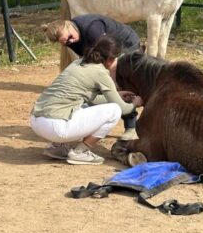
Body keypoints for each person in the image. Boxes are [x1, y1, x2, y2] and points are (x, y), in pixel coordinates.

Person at [29, 37, 144, 165]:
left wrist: (117, 95)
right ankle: (80, 152)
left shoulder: (78, 62)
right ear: (112, 59)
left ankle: (57, 148)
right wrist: (136, 103)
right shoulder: (100, 73)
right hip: (56, 127)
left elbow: (92, 100)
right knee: (115, 111)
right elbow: (123, 109)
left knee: (79, 105)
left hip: (36, 121)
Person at [42, 14, 142, 140]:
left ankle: (131, 128)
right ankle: (91, 123)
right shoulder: (72, 38)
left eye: (70, 38)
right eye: (66, 42)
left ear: (69, 25)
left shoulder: (92, 30)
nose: (70, 42)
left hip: (126, 45)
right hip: (107, 52)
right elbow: (89, 61)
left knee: (121, 82)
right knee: (97, 85)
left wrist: (114, 85)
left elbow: (110, 59)